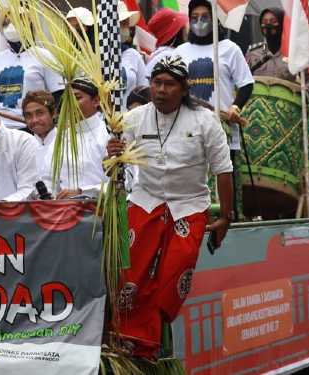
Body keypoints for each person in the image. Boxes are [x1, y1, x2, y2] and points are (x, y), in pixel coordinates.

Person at [107, 55, 234, 359]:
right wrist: (111, 154)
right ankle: (129, 340)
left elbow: (224, 170)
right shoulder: (132, 119)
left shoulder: (205, 121)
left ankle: (155, 334)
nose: (161, 90)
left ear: (183, 88)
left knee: (175, 272)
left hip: (189, 205)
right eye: (156, 82)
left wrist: (226, 217)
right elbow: (111, 165)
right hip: (145, 199)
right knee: (130, 271)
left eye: (169, 84)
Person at [174, 0, 254, 152]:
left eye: (205, 17)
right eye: (195, 17)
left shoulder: (230, 49)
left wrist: (235, 107)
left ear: (214, 18)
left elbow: (246, 84)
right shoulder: (180, 52)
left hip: (222, 129)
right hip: (187, 131)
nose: (199, 22)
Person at [0, 11, 65, 130]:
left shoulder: (44, 57)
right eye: (6, 23)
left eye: (17, 22)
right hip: (2, 128)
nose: (11, 26)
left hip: (32, 127)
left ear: (29, 26)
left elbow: (59, 96)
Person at [50, 76, 110, 199]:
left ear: (96, 101)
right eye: (68, 99)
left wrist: (83, 192)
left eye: (77, 98)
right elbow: (48, 177)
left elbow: (121, 183)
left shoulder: (108, 134)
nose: (71, 103)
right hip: (62, 211)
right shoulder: (61, 137)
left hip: (100, 210)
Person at [246, 8, 296, 82]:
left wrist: (302, 90)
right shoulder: (253, 53)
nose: (268, 25)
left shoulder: (293, 53)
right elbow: (241, 79)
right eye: (264, 22)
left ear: (282, 24)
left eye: (273, 21)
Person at [23, 90, 57, 191]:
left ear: (53, 113)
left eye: (40, 113)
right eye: (29, 115)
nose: (34, 120)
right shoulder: (23, 147)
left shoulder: (67, 142)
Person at [119, 1, 149, 111]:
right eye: (122, 24)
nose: (127, 29)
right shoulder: (94, 57)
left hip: (130, 121)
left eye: (126, 24)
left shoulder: (133, 55)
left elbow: (144, 91)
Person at [145, 7, 188, 79]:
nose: (186, 29)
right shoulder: (170, 56)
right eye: (182, 27)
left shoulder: (162, 53)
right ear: (177, 33)